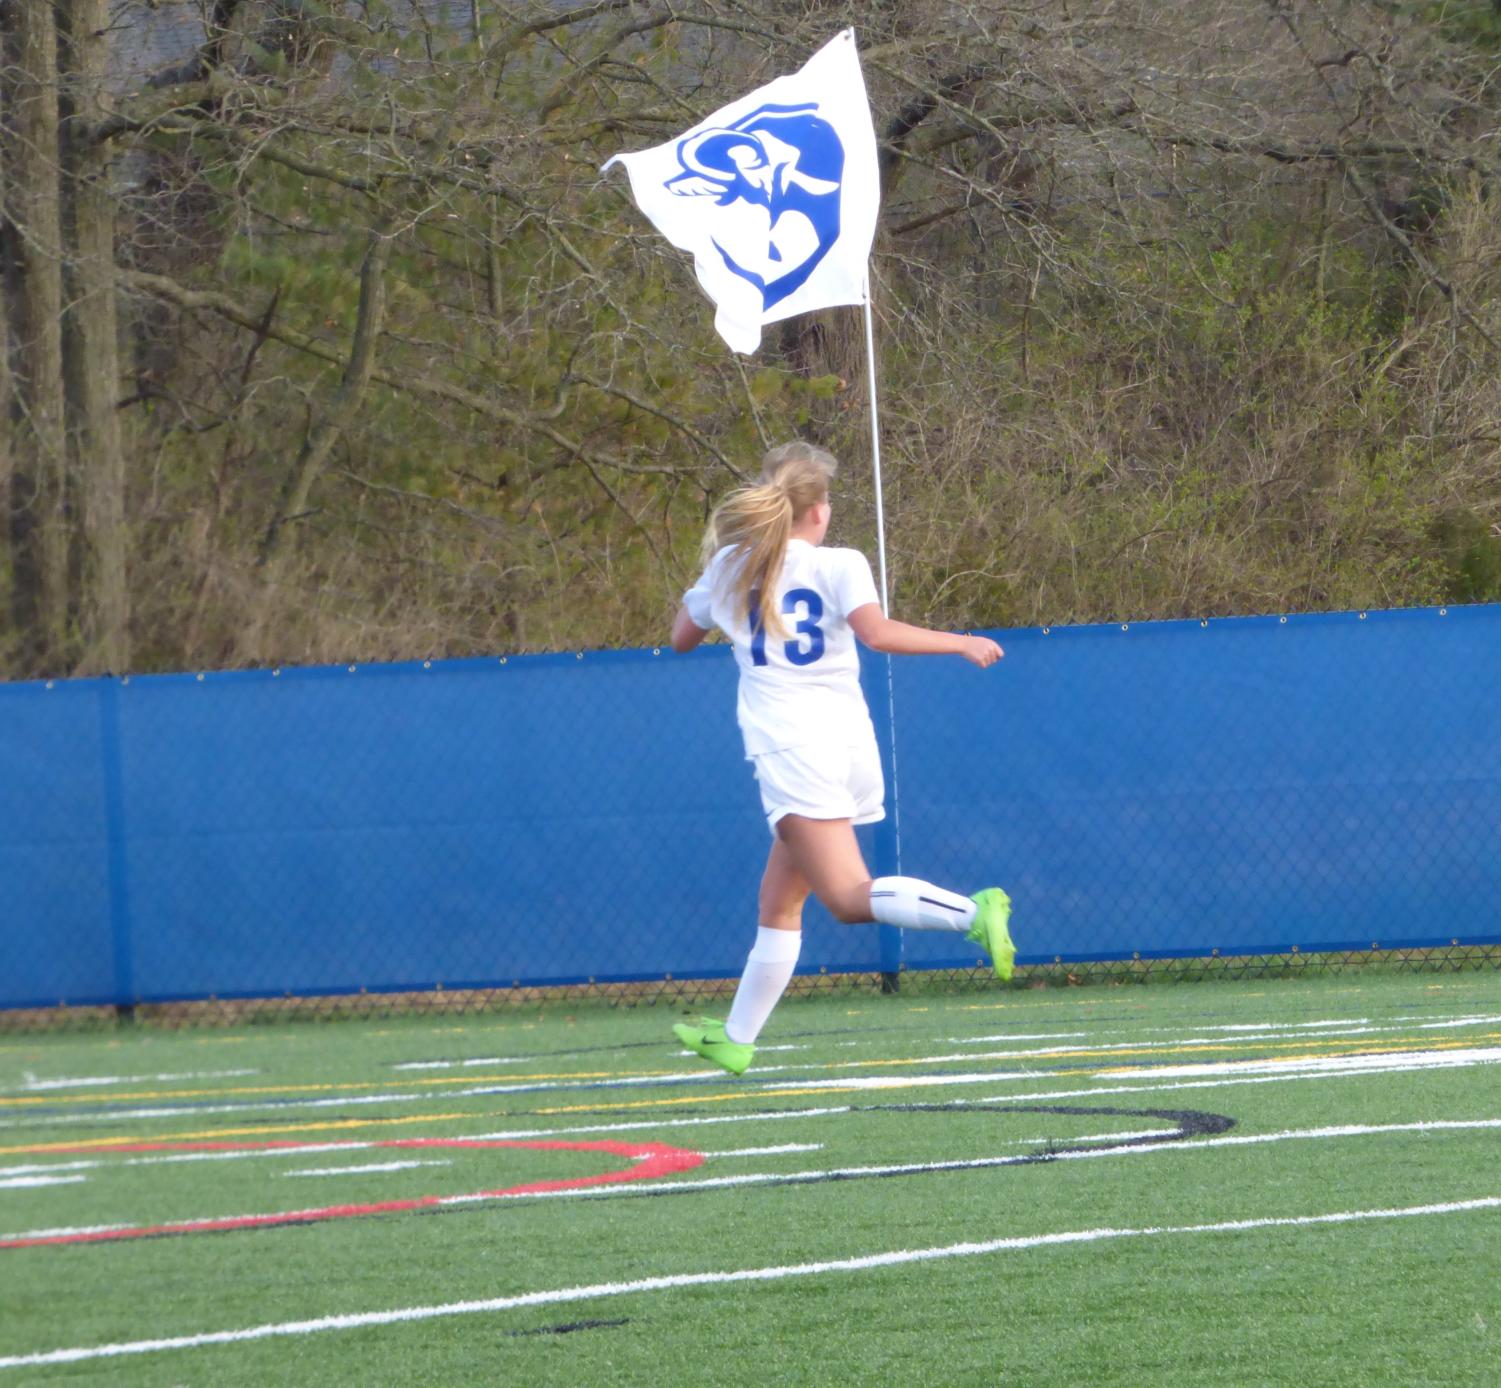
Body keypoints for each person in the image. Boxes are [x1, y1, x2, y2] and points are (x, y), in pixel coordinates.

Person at [668, 440, 1015, 1076]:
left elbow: (681, 639)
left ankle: (973, 910)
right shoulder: (840, 563)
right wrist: (961, 641)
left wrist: (718, 581)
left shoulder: (731, 567)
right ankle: (737, 1038)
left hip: (794, 751)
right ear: (819, 512)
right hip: (849, 745)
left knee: (849, 900)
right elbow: (878, 634)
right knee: (779, 903)